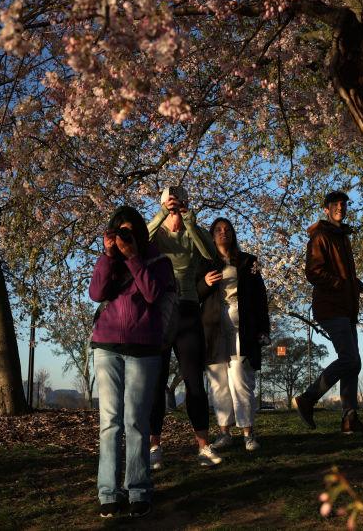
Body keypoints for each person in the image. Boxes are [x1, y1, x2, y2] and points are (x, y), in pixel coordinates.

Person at [89, 206, 175, 518]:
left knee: (136, 422)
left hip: (144, 347)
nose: (125, 237)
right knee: (110, 423)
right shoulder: (111, 261)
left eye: (130, 232)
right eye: (119, 232)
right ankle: (109, 493)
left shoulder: (158, 261)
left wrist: (134, 256)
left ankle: (139, 489)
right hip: (107, 344)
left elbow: (152, 294)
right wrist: (108, 255)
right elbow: (97, 292)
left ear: (140, 232)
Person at [146, 186, 222, 468]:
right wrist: (162, 213)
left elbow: (210, 252)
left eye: (178, 203)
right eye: (169, 203)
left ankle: (203, 444)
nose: (173, 208)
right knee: (156, 381)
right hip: (159, 310)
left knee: (194, 381)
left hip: (188, 309)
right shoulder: (156, 233)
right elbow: (142, 240)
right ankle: (154, 445)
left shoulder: (192, 230)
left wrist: (188, 220)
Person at [294, 190, 363, 435]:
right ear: (326, 209)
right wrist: (342, 284)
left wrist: (354, 283)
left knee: (354, 362)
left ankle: (350, 419)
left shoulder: (342, 236)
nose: (340, 207)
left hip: (347, 306)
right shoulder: (321, 236)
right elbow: (313, 272)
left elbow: (341, 273)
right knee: (349, 359)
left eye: (343, 204)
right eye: (335, 204)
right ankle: (308, 399)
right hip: (331, 306)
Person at [197, 218, 271, 452]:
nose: (223, 233)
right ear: (211, 235)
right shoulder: (204, 263)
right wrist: (205, 283)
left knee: (240, 377)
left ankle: (248, 433)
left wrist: (263, 330)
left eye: (227, 229)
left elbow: (260, 297)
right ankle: (224, 432)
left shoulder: (249, 261)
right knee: (218, 382)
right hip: (213, 327)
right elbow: (192, 293)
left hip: (243, 326)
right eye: (218, 230)